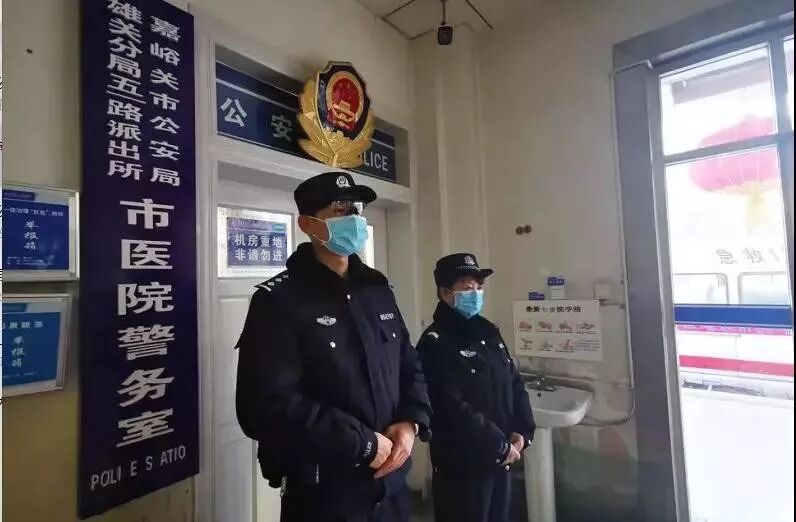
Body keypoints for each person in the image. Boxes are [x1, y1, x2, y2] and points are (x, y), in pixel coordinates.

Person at [235, 172, 432, 522]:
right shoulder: (279, 301)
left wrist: (411, 421)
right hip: (325, 493)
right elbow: (264, 406)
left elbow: (409, 362)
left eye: (357, 209)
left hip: (392, 488)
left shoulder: (377, 290)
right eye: (340, 210)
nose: (353, 218)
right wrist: (363, 443)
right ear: (308, 224)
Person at [416, 253, 535, 522]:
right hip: (463, 467)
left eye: (479, 287)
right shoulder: (435, 342)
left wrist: (523, 431)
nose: (476, 294)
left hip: (501, 459)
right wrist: (497, 444)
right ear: (445, 293)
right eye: (468, 287)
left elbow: (513, 381)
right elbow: (448, 404)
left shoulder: (489, 332)